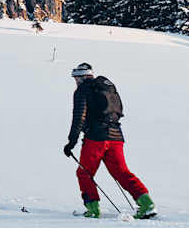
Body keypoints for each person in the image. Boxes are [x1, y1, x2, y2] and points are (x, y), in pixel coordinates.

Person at [64, 63, 157, 219]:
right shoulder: (106, 87)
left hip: (95, 138)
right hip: (116, 137)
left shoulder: (83, 90)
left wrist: (71, 142)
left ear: (81, 77)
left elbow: (79, 117)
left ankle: (93, 209)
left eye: (76, 78)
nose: (75, 81)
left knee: (84, 173)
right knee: (121, 172)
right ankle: (146, 204)